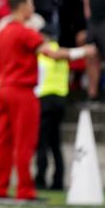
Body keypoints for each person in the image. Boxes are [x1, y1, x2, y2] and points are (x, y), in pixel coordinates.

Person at [0, 0, 95, 203]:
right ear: (21, 6)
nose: (33, 7)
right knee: (25, 142)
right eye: (30, 3)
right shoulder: (25, 33)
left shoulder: (0, 34)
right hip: (23, 91)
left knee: (2, 141)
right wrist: (81, 52)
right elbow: (52, 54)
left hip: (5, 90)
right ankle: (25, 190)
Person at [35, 26, 69, 191]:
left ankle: (40, 178)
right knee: (55, 143)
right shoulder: (62, 52)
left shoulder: (43, 52)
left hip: (45, 99)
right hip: (61, 99)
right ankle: (58, 180)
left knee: (42, 142)